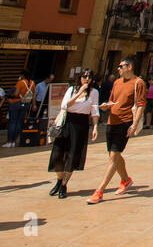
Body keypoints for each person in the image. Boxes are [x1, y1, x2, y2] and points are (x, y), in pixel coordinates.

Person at [88, 57, 146, 204]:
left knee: (114, 156)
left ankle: (99, 191)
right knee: (114, 155)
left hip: (125, 122)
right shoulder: (117, 82)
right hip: (111, 121)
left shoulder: (138, 83)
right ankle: (126, 180)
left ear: (129, 67)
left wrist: (134, 124)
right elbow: (112, 101)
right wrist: (106, 106)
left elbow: (140, 105)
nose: (118, 69)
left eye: (121, 66)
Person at [48, 69, 100, 198]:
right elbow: (65, 105)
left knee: (72, 155)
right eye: (84, 76)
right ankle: (59, 180)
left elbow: (94, 110)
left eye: (89, 77)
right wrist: (79, 93)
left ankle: (64, 185)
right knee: (57, 155)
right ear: (80, 78)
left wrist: (95, 127)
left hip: (81, 125)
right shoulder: (71, 90)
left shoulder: (94, 93)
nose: (87, 79)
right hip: (68, 123)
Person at [3, 71, 34, 147]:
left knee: (13, 122)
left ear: (22, 75)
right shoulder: (33, 83)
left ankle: (9, 141)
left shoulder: (20, 83)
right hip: (26, 103)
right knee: (19, 122)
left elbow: (16, 94)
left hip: (16, 103)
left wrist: (10, 95)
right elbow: (34, 94)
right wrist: (34, 104)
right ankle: (14, 141)